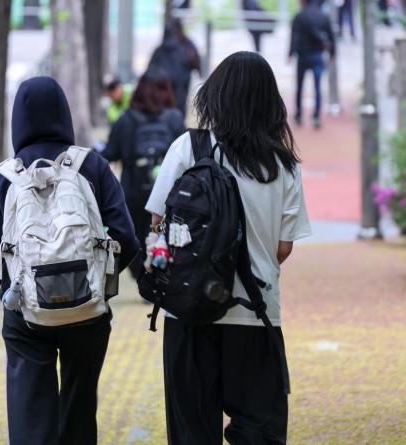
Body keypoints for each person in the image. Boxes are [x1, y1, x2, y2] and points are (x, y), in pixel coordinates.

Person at [0, 77, 139, 445]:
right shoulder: (93, 167)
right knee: (78, 409)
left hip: (25, 316)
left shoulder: (2, 179)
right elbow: (127, 239)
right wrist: (93, 276)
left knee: (30, 416)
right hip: (88, 313)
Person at [145, 52, 311, 445]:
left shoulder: (190, 148)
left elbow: (157, 221)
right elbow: (282, 248)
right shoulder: (284, 164)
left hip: (189, 311)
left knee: (191, 432)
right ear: (270, 103)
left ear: (215, 95)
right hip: (255, 314)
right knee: (259, 429)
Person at [101, 68, 184, 279]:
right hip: (168, 195)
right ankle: (163, 277)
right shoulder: (174, 119)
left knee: (136, 238)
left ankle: (143, 279)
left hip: (134, 192)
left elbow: (110, 153)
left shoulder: (125, 120)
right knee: (167, 236)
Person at [289, 0, 336, 129]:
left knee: (299, 86)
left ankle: (299, 113)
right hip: (317, 55)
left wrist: (290, 53)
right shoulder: (323, 15)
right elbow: (331, 36)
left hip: (302, 56)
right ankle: (316, 116)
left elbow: (294, 37)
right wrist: (332, 53)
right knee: (317, 87)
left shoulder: (299, 16)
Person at [149, 18, 200, 116]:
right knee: (179, 111)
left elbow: (150, 70)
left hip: (162, 92)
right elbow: (195, 61)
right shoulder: (184, 48)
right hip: (180, 89)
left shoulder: (158, 51)